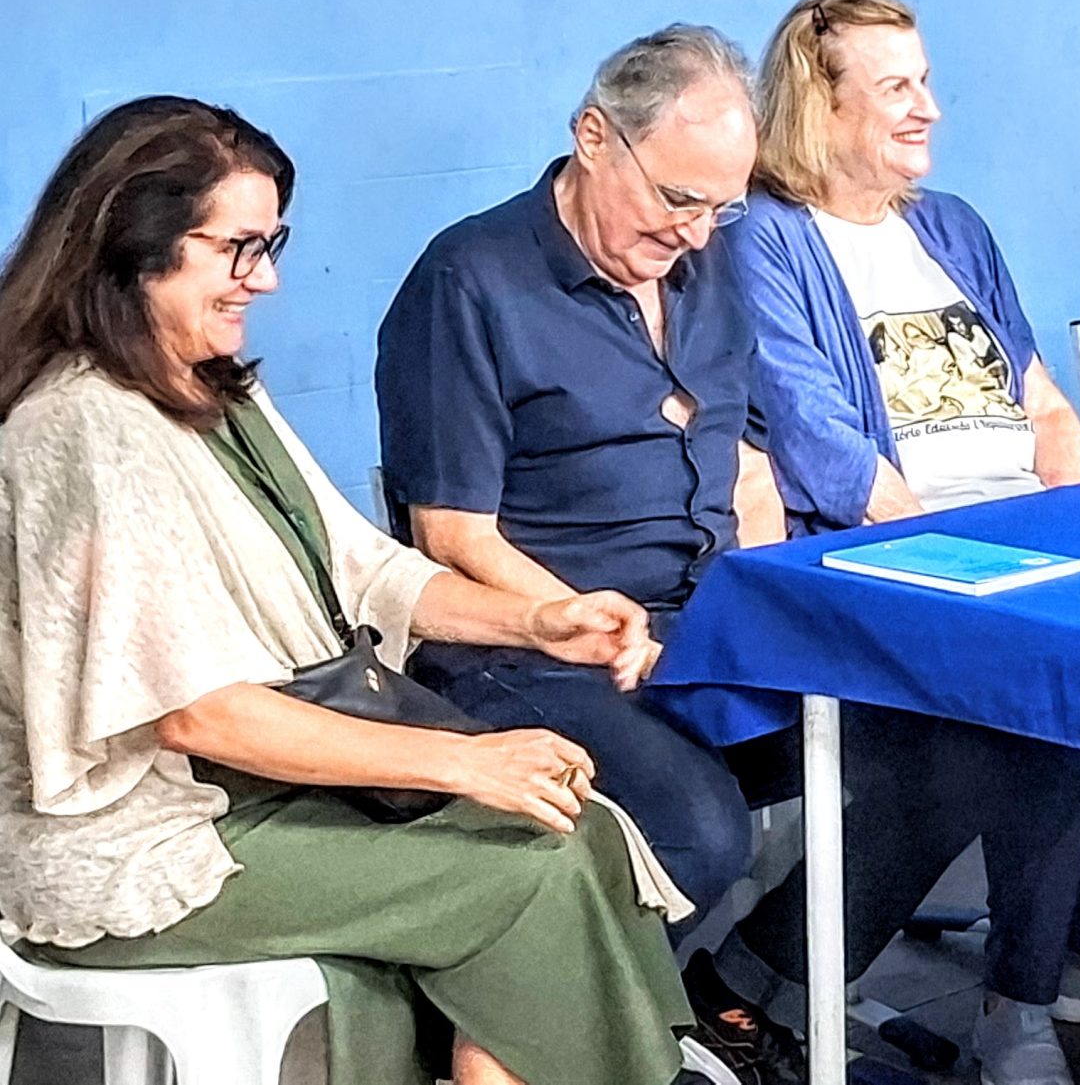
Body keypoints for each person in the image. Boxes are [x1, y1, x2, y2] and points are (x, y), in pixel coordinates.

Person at [0, 96, 696, 1085]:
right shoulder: (83, 429)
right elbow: (199, 713)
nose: (269, 278)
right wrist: (465, 763)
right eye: (240, 247)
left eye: (271, 242)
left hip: (246, 791)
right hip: (148, 837)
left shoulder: (208, 381)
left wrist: (541, 619)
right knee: (533, 864)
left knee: (572, 827)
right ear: (135, 242)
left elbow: (362, 571)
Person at [727, 0, 1080, 1085]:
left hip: (1027, 537)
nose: (929, 109)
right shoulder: (768, 240)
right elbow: (830, 455)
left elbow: (1041, 402)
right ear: (820, 105)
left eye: (925, 81)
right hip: (900, 560)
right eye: (896, 87)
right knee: (1052, 700)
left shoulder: (950, 224)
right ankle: (1017, 1003)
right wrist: (989, 563)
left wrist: (1076, 512)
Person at [375, 26, 798, 1079]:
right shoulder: (469, 281)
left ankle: (726, 995)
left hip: (701, 622)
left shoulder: (709, 270)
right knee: (696, 828)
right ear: (593, 136)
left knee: (925, 747)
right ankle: (529, 1042)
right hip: (525, 645)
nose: (697, 233)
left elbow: (747, 469)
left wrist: (773, 607)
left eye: (721, 207)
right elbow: (452, 538)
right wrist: (584, 623)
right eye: (676, 199)